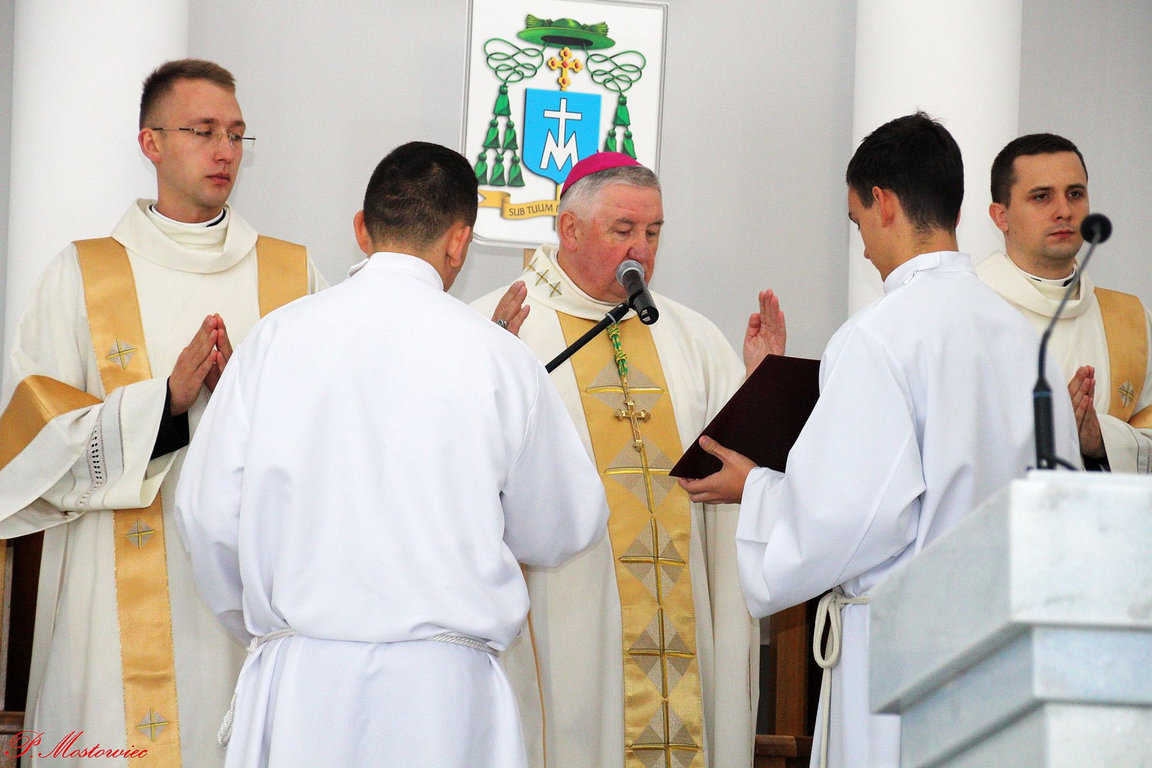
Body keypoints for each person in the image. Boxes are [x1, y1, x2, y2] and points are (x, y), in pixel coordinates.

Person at [174, 141, 609, 768]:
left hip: (302, 686)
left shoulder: (274, 340)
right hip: (443, 698)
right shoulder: (498, 357)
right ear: (459, 241)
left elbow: (207, 513)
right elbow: (566, 524)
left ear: (361, 228)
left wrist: (271, 628)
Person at [678, 113, 1079, 768]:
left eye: (857, 218)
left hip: (908, 652)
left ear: (883, 202)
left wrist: (756, 489)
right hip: (1004, 646)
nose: (863, 244)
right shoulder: (1025, 342)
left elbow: (849, 518)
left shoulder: (878, 337)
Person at [0, 59, 324, 766]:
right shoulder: (83, 273)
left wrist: (246, 400)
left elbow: (336, 432)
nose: (224, 151)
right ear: (150, 142)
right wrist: (164, 406)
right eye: (203, 131)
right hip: (109, 601)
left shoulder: (291, 275)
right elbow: (29, 449)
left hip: (248, 592)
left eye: (236, 134)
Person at [473, 152, 781, 768]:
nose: (642, 248)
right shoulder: (499, 331)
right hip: (564, 626)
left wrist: (760, 391)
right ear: (569, 229)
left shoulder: (693, 338)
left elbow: (737, 472)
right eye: (624, 230)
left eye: (654, 231)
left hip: (677, 627)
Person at [979, 133, 1152, 472]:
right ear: (1001, 217)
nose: (1064, 211)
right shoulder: (970, 310)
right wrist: (1050, 429)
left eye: (1075, 194)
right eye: (1041, 197)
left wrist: (1102, 439)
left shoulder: (1128, 319)